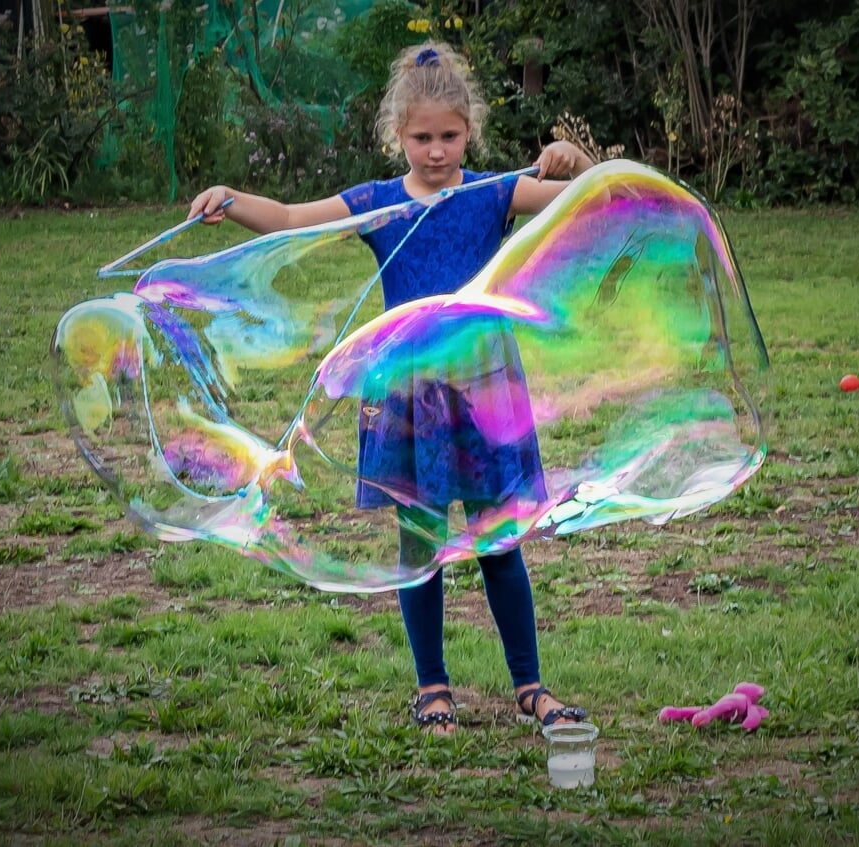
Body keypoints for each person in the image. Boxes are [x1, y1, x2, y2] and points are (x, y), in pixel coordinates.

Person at [188, 40, 595, 735]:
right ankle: (432, 686)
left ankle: (530, 685)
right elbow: (288, 218)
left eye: (449, 136)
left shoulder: (495, 192)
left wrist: (576, 162)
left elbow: (593, 200)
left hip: (483, 387)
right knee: (421, 541)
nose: (436, 152)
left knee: (500, 540)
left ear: (470, 132)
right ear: (396, 136)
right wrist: (231, 197)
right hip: (411, 395)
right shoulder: (376, 204)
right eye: (421, 138)